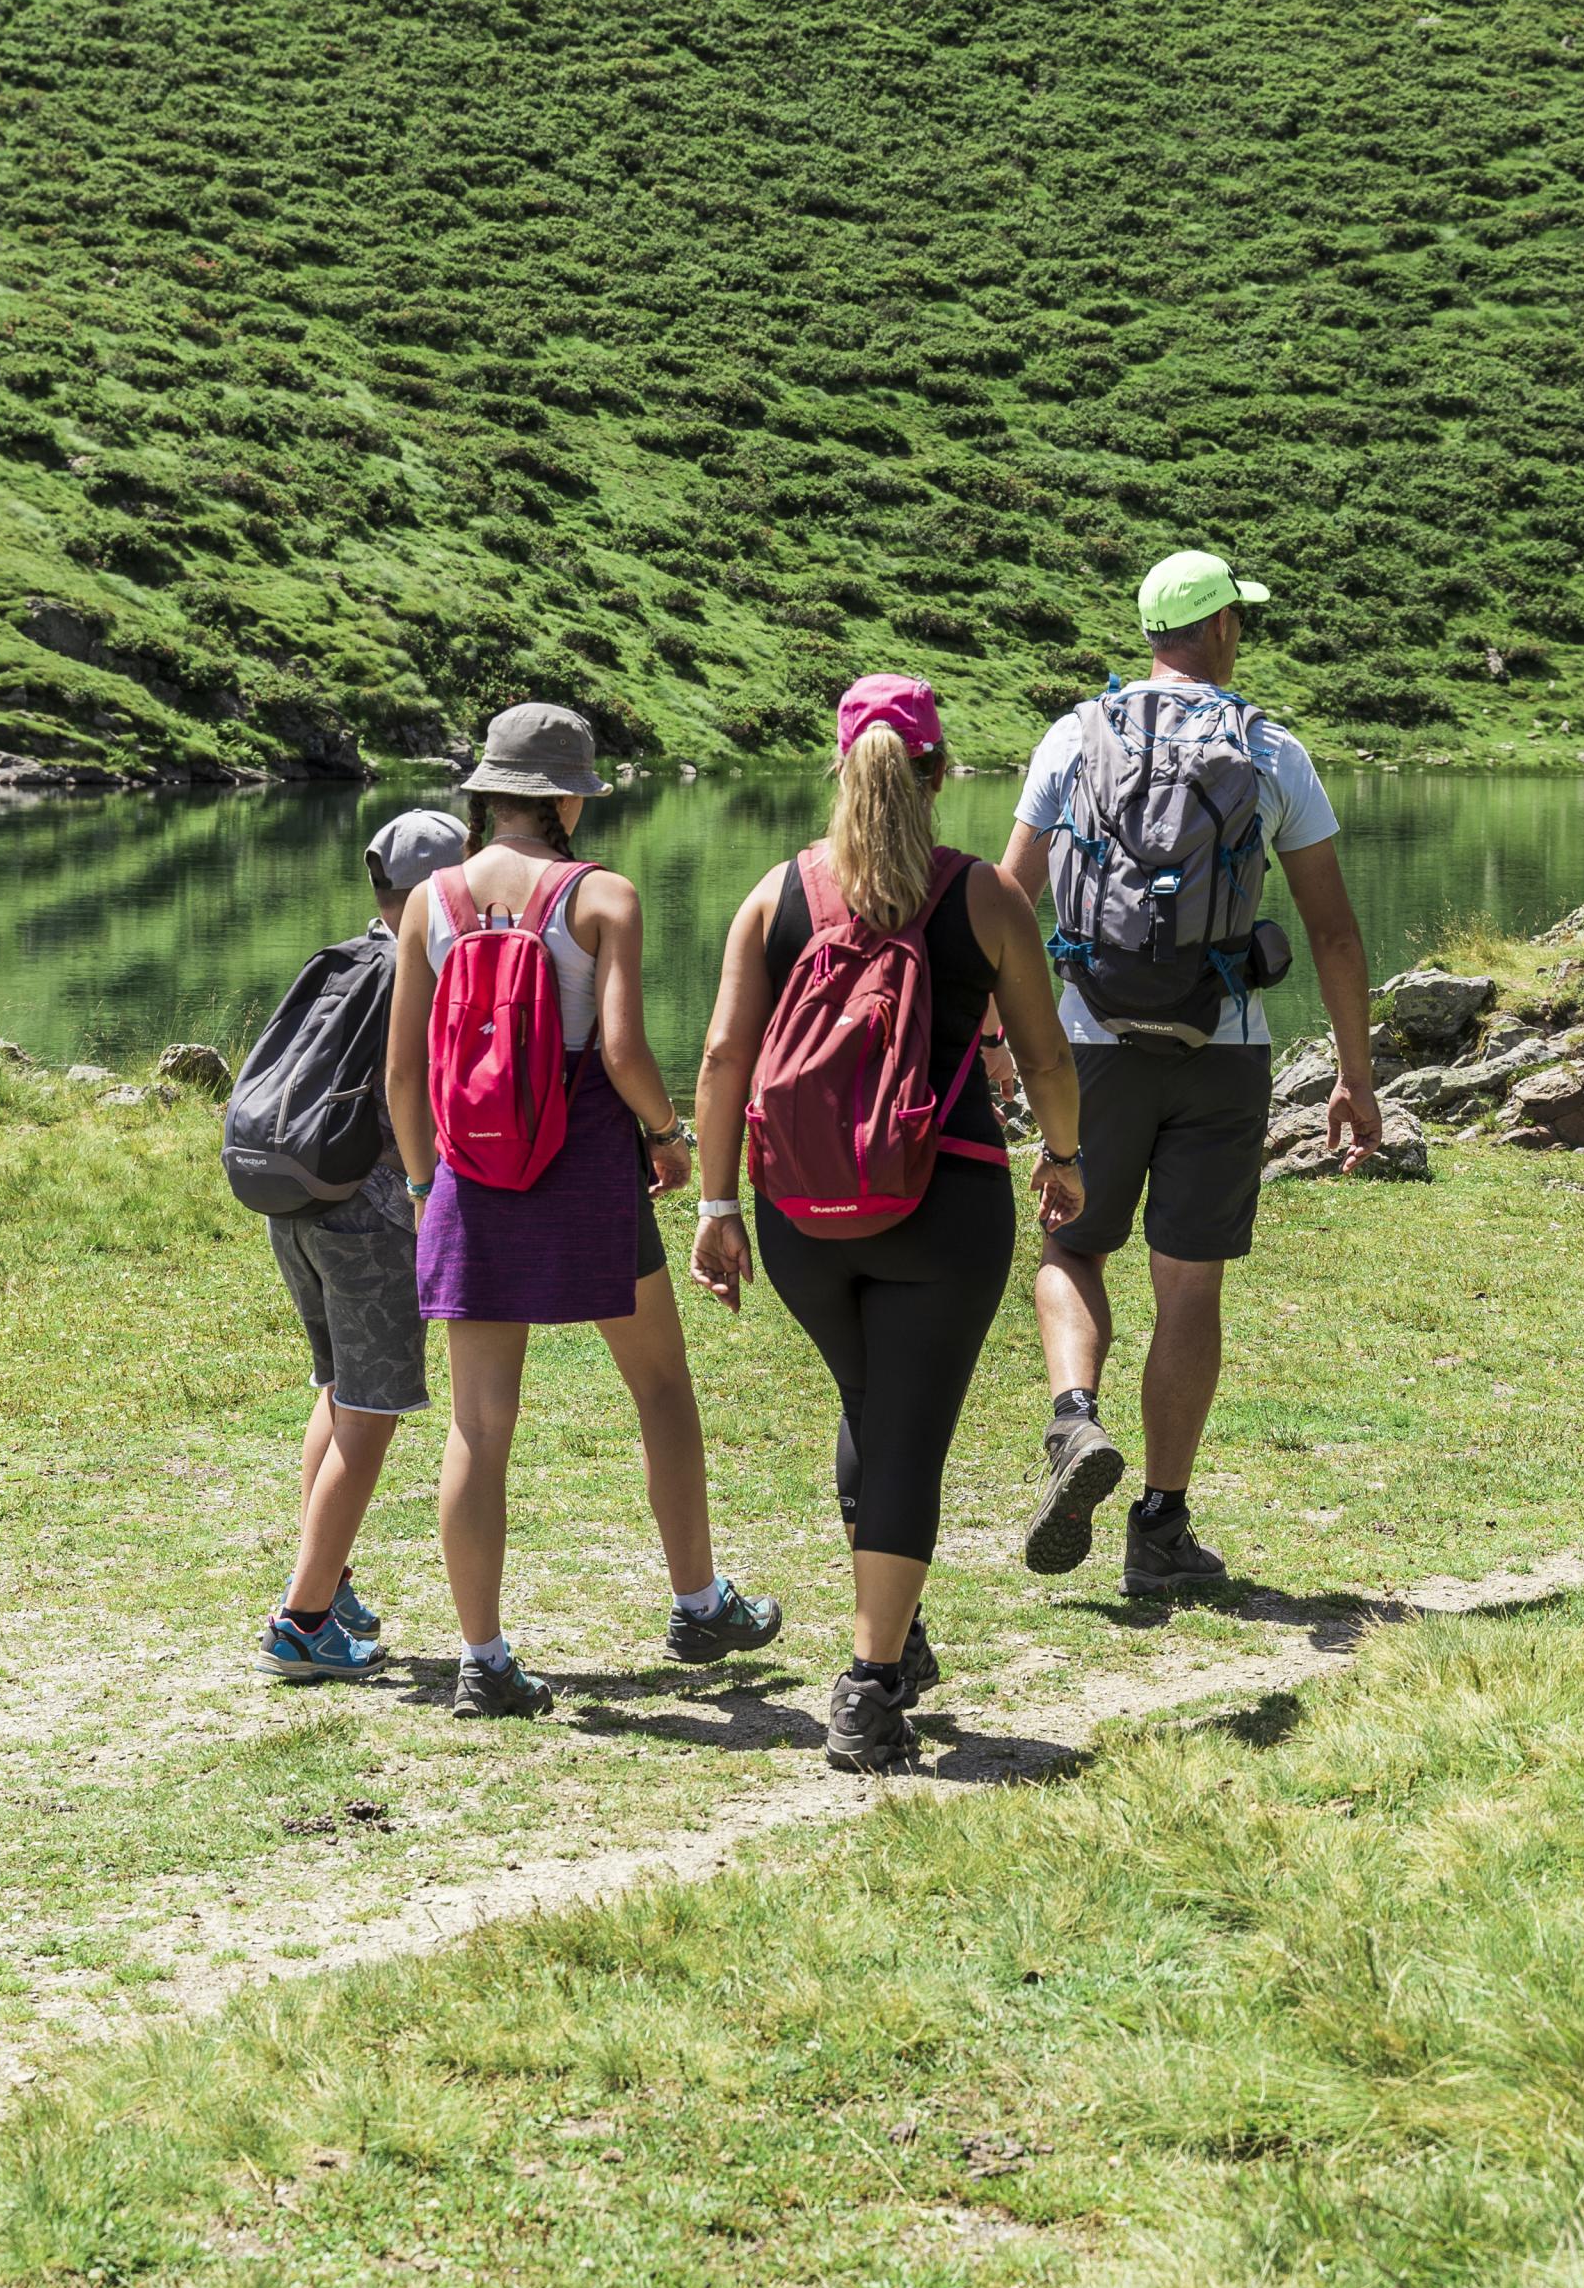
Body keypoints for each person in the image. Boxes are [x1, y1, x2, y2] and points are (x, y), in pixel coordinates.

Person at [690, 675, 1085, 1776]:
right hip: (944, 1205)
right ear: (938, 771)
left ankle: (897, 1634)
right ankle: (868, 1690)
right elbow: (1046, 1055)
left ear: (839, 769)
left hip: (800, 1215)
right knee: (906, 1433)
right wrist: (1063, 1156)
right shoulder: (983, 895)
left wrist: (718, 1207)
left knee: (872, 1406)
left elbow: (721, 1059)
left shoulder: (774, 896)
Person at [386, 700, 781, 1719]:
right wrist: (669, 1132)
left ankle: (483, 1659)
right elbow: (621, 1051)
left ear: (489, 794)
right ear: (566, 799)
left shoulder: (429, 901)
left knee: (478, 1425)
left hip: (473, 1182)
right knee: (661, 1386)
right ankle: (698, 1604)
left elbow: (404, 1078)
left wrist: (429, 1190)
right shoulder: (601, 895)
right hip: (587, 1176)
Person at [1001, 549, 1382, 1596]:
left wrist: (994, 1037)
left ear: (1149, 635)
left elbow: (1007, 902)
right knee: (1188, 1284)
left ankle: (1075, 1419)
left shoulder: (1074, 736)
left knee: (1072, 1246)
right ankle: (1160, 1527)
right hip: (1225, 1047)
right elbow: (1333, 933)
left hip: (1088, 1044)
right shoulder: (1269, 749)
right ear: (1218, 628)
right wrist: (1354, 1076)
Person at [258, 805, 470, 1683]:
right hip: (372, 1218)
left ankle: (329, 1582)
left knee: (340, 1392)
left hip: (295, 1204)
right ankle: (302, 1623)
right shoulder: (425, 971)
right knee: (371, 1412)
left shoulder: (348, 959)